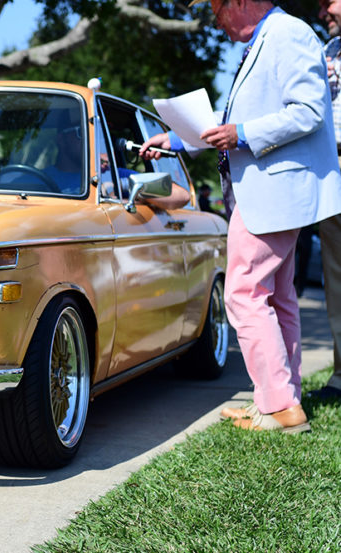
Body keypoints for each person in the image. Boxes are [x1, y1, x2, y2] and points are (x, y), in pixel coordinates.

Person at [140, 0, 341, 432]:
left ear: (242, 2)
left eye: (215, 6)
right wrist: (176, 140)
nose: (214, 19)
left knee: (243, 294)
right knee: (277, 296)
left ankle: (279, 408)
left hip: (273, 194)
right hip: (272, 195)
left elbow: (308, 111)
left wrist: (241, 134)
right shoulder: (269, 39)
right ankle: (284, 398)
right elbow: (232, 123)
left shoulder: (288, 34)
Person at [310, 0, 341, 399]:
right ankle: (340, 376)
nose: (322, 14)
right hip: (331, 168)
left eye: (328, 2)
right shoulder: (326, 51)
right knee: (336, 275)